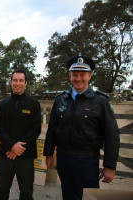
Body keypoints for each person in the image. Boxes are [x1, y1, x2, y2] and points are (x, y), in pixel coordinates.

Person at [43, 56, 120, 200]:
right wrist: (49, 154)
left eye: (82, 75)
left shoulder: (100, 101)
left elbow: (112, 135)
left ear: (89, 76)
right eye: (74, 75)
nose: (78, 79)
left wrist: (110, 166)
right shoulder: (60, 100)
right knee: (68, 195)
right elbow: (52, 129)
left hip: (87, 160)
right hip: (64, 159)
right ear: (70, 76)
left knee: (87, 197)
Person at [0, 68, 41, 200]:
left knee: (26, 192)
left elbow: (36, 129)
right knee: (1, 190)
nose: (17, 83)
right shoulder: (2, 105)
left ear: (26, 83)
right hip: (6, 154)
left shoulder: (34, 104)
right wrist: (11, 145)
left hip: (26, 155)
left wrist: (19, 148)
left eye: (21, 80)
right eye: (15, 80)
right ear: (11, 81)